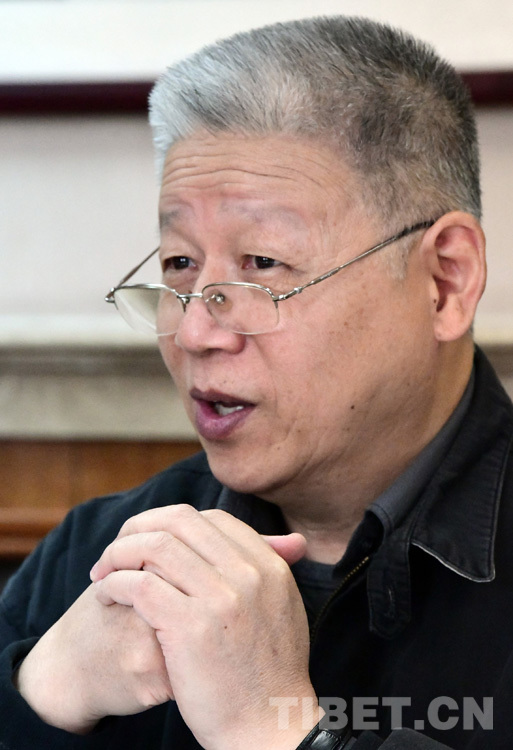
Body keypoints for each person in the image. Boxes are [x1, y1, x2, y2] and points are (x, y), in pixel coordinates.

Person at [0, 14, 512, 750]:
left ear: (443, 282)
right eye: (179, 265)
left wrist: (270, 730)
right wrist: (39, 693)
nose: (195, 332)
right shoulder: (100, 552)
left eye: (263, 266)